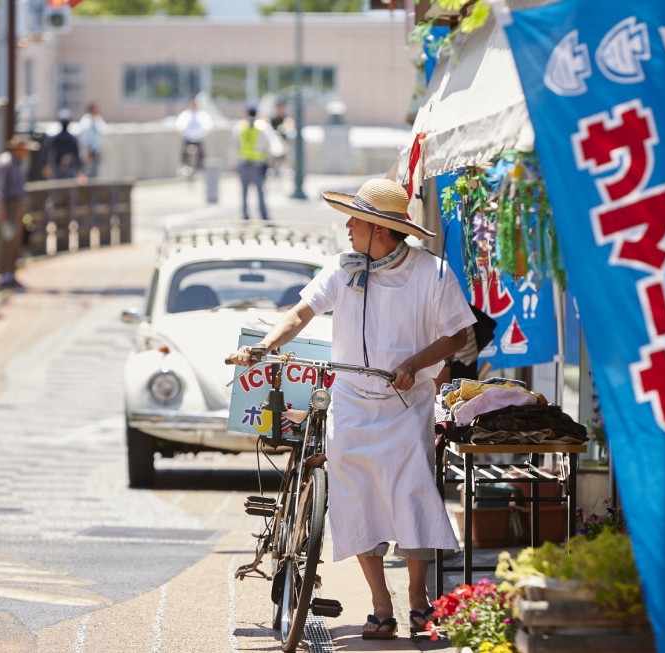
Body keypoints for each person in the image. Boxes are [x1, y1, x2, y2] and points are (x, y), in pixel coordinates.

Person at [225, 178, 476, 640]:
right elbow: (301, 313)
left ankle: (419, 600)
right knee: (356, 498)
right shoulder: (342, 270)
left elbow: (458, 334)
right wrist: (264, 346)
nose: (347, 227)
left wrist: (416, 363)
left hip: (406, 402)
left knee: (413, 494)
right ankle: (382, 605)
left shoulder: (432, 273)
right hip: (352, 403)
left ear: (380, 230)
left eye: (355, 220)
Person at [0, 135, 39, 290]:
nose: (27, 152)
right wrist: (0, 209)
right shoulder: (5, 162)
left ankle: (11, 272)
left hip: (18, 204)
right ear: (19, 148)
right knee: (7, 240)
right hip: (8, 204)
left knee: (16, 240)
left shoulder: (20, 163)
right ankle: (3, 274)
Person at [231, 105, 274, 220]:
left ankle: (245, 215)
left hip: (243, 163)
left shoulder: (240, 127)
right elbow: (268, 146)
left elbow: (234, 146)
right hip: (257, 164)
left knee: (244, 192)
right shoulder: (262, 127)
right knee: (260, 192)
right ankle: (263, 216)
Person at [41, 109, 83, 180]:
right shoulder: (72, 139)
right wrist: (79, 169)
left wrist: (46, 165)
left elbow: (47, 152)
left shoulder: (55, 138)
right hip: (62, 168)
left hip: (61, 168)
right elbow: (77, 155)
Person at [175, 97, 213, 172]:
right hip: (188, 139)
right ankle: (184, 167)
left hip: (198, 139)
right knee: (184, 153)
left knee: (201, 155)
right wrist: (181, 130)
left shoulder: (203, 114)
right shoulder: (185, 114)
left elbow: (209, 125)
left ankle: (201, 169)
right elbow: (179, 125)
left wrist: (206, 131)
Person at [77, 101, 106, 178]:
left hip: (96, 151)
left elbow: (100, 136)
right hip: (89, 151)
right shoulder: (86, 122)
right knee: (88, 172)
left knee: (95, 172)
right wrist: (87, 152)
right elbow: (84, 139)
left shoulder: (97, 120)